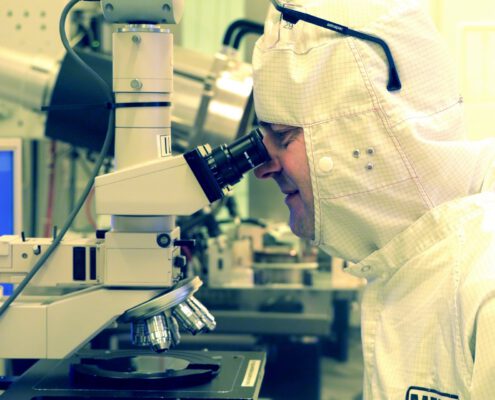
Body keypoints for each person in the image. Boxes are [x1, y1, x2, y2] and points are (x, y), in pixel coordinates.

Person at [252, 0, 495, 399]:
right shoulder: (407, 263)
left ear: (362, 134)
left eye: (283, 137)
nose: (264, 168)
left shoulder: (485, 288)